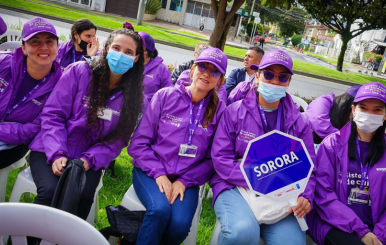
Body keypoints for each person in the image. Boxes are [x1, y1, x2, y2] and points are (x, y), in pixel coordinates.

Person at [28, 28, 145, 220]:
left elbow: (119, 139)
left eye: (128, 52)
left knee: (81, 195)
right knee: (49, 192)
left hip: (90, 159)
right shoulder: (79, 72)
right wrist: (57, 153)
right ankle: (28, 238)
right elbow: (53, 115)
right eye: (116, 48)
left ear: (136, 58)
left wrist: (89, 160)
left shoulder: (134, 97)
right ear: (107, 49)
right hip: (50, 147)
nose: (121, 55)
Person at [210, 49, 316, 245]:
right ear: (257, 76)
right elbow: (221, 160)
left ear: (288, 83)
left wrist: (305, 195)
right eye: (268, 75)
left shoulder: (300, 122)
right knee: (242, 233)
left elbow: (310, 168)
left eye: (282, 77)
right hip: (234, 186)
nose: (275, 82)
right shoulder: (234, 112)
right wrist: (261, 177)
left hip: (284, 193)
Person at [128, 47, 227, 245]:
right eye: (202, 67)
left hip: (187, 179)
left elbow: (213, 158)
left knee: (180, 225)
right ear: (192, 69)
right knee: (159, 211)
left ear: (220, 81)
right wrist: (159, 173)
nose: (206, 74)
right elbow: (139, 143)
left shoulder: (219, 110)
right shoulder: (165, 96)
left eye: (214, 71)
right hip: (150, 171)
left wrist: (185, 180)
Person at [308, 82, 386, 245]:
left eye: (377, 110)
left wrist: (380, 234)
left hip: (377, 228)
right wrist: (361, 231)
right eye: (363, 107)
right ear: (353, 111)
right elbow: (324, 196)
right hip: (332, 223)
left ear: (385, 115)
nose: (369, 114)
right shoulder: (332, 145)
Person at [0, 17, 62, 169]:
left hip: (14, 143)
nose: (44, 47)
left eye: (49, 41)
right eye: (35, 41)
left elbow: (33, 129)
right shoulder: (3, 63)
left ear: (57, 48)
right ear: (23, 48)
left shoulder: (62, 86)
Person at [138, 32, 172, 107]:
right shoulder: (130, 63)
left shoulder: (162, 70)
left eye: (137, 47)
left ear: (146, 52)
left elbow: (168, 96)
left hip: (148, 114)